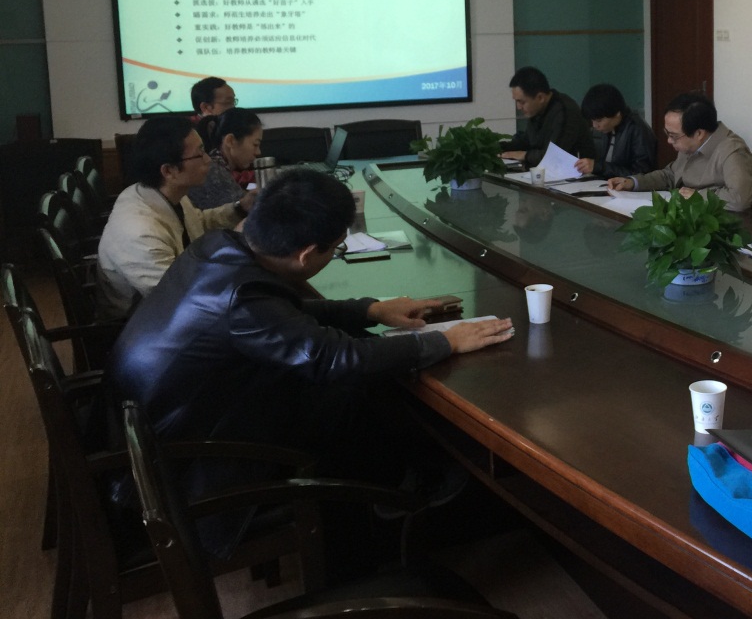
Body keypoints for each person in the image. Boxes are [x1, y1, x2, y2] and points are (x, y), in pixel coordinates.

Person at [108, 168, 515, 559]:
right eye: (335, 248)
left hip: (160, 430)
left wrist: (370, 310)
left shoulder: (217, 247)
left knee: (354, 383)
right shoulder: (243, 299)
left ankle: (401, 485)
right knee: (351, 391)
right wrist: (446, 340)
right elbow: (336, 357)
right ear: (305, 255)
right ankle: (396, 506)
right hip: (187, 471)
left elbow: (281, 313)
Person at [97, 116, 253, 317]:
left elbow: (199, 222)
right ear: (169, 170)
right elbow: (180, 298)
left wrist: (240, 208)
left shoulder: (163, 192)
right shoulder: (140, 232)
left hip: (177, 303)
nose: (208, 160)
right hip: (142, 324)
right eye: (199, 154)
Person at [607, 92, 752, 216]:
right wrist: (633, 182)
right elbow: (670, 175)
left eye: (673, 136)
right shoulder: (689, 145)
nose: (669, 141)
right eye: (667, 134)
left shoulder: (732, 150)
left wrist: (697, 196)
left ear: (699, 133)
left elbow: (739, 200)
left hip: (734, 229)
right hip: (695, 218)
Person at [500, 66, 594, 167]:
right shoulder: (537, 110)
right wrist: (498, 148)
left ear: (540, 98)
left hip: (575, 173)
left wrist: (525, 155)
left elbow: (555, 157)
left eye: (522, 102)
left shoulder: (565, 112)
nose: (518, 107)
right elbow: (527, 142)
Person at [575, 83, 656, 179]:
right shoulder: (607, 128)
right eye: (592, 120)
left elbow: (642, 175)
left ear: (617, 114)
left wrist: (598, 167)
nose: (595, 125)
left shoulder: (637, 130)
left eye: (599, 121)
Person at [188, 107, 262, 209]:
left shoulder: (219, 168)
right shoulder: (214, 173)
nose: (258, 152)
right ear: (230, 141)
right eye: (255, 144)